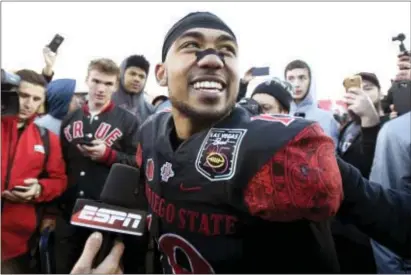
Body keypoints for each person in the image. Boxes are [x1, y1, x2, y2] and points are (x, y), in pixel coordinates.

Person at [140, 11, 343, 273]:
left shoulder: (281, 150)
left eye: (227, 49)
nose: (213, 59)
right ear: (161, 73)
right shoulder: (150, 132)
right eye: (192, 46)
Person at [55, 58, 142, 273]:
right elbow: (59, 166)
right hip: (69, 211)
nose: (101, 89)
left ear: (115, 86)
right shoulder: (69, 119)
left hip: (105, 214)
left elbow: (139, 163)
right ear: (87, 80)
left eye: (108, 83)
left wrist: (108, 155)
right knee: (64, 267)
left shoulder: (129, 121)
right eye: (96, 81)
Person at [1, 69, 67, 273]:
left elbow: (59, 180)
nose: (29, 103)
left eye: (36, 98)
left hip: (16, 244)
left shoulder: (47, 138)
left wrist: (39, 189)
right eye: (23, 95)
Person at [284, 60, 340, 145]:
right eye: (291, 79)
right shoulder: (279, 116)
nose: (296, 84)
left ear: (310, 81)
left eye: (302, 78)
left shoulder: (326, 118)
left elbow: (332, 154)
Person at [111, 55, 154, 123]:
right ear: (121, 74)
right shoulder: (104, 103)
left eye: (141, 76)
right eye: (132, 74)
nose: (137, 79)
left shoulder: (150, 111)